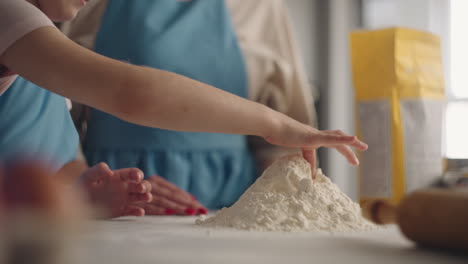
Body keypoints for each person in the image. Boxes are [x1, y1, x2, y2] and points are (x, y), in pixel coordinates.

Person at [0, 0, 367, 217]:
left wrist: (87, 192)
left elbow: (54, 153)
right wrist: (272, 123)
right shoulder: (13, 16)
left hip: (217, 199)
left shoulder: (261, 9)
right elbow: (134, 94)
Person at [61, 0, 319, 211]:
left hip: (234, 211)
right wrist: (103, 190)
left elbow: (285, 139)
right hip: (116, 211)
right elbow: (55, 121)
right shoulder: (83, 4)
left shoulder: (260, 7)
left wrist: (269, 207)